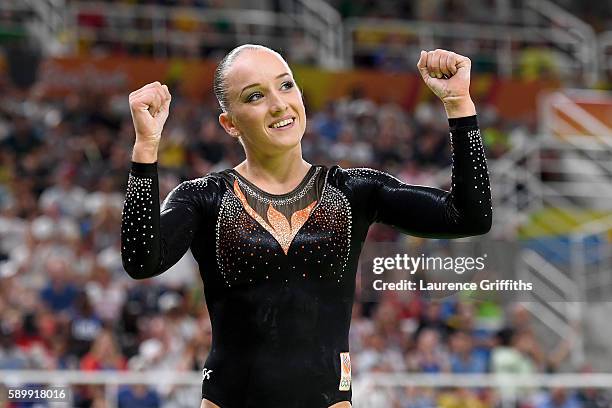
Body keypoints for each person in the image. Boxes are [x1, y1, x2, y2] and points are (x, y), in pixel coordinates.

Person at [121, 44, 492, 408]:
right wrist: (146, 147)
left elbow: (468, 216)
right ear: (229, 123)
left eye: (286, 85)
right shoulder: (204, 197)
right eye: (254, 96)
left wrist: (459, 105)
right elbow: (142, 262)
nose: (279, 103)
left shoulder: (353, 191)